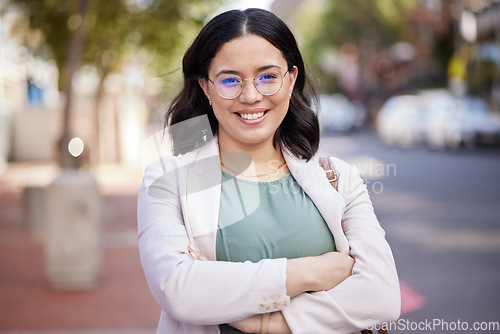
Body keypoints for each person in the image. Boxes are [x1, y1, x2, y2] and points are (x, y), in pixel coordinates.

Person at [137, 8, 400, 334]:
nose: (250, 95)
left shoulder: (338, 178)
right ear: (205, 87)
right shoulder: (167, 180)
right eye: (230, 80)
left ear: (290, 80)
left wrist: (266, 323)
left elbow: (382, 298)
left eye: (268, 76)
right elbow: (178, 290)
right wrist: (310, 271)